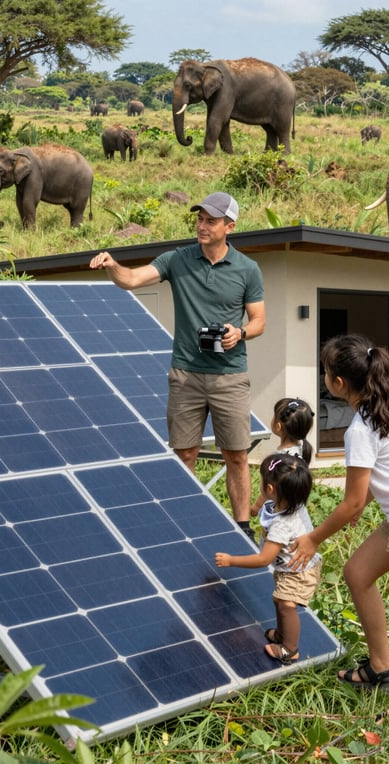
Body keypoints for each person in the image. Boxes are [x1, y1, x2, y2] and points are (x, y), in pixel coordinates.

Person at [289, 334, 389, 727]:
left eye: (325, 372)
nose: (324, 377)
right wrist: (363, 503)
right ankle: (380, 669)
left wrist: (312, 538)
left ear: (338, 383)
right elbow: (386, 471)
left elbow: (351, 504)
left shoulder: (360, 430)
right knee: (357, 573)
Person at [89, 192, 266, 539]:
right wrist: (112, 265)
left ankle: (242, 528)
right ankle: (185, 526)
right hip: (185, 375)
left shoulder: (248, 269)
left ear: (229, 227)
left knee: (236, 456)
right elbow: (131, 280)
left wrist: (240, 332)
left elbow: (259, 321)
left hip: (230, 376)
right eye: (199, 219)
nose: (202, 226)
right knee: (184, 454)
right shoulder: (177, 259)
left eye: (211, 221)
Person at [215, 453, 322, 664]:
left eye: (262, 480)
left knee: (286, 605)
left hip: (299, 572)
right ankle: (282, 635)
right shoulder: (291, 502)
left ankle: (290, 649)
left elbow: (264, 559)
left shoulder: (282, 524)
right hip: (290, 568)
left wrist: (231, 561)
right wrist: (256, 507)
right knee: (279, 600)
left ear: (270, 489)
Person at [251, 398, 314, 517]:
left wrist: (256, 507)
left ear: (278, 426)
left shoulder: (279, 460)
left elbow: (268, 488)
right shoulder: (302, 447)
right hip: (299, 512)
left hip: (281, 515)